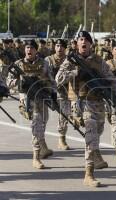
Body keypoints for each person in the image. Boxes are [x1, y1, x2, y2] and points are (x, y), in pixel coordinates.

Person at [56, 31, 116, 187]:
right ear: (77, 44)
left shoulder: (99, 61)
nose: (83, 42)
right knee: (91, 133)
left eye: (86, 40)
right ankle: (89, 174)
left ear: (91, 44)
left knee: (98, 130)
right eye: (80, 40)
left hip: (98, 102)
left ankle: (96, 156)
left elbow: (111, 79)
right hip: (80, 102)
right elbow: (58, 79)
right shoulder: (71, 61)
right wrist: (75, 72)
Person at [7, 39, 55, 169]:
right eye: (27, 48)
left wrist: (51, 91)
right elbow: (9, 82)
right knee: (36, 125)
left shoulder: (44, 64)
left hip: (42, 98)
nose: (29, 50)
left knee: (43, 122)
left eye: (32, 48)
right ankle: (36, 157)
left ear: (36, 50)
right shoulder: (18, 64)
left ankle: (43, 147)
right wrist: (21, 83)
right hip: (28, 100)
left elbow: (51, 80)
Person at [45, 39, 70, 150]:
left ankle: (61, 139)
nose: (59, 48)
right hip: (50, 92)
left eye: (62, 46)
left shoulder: (69, 60)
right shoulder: (48, 60)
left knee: (64, 115)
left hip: (65, 93)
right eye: (57, 46)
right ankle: (41, 141)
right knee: (43, 118)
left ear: (65, 48)